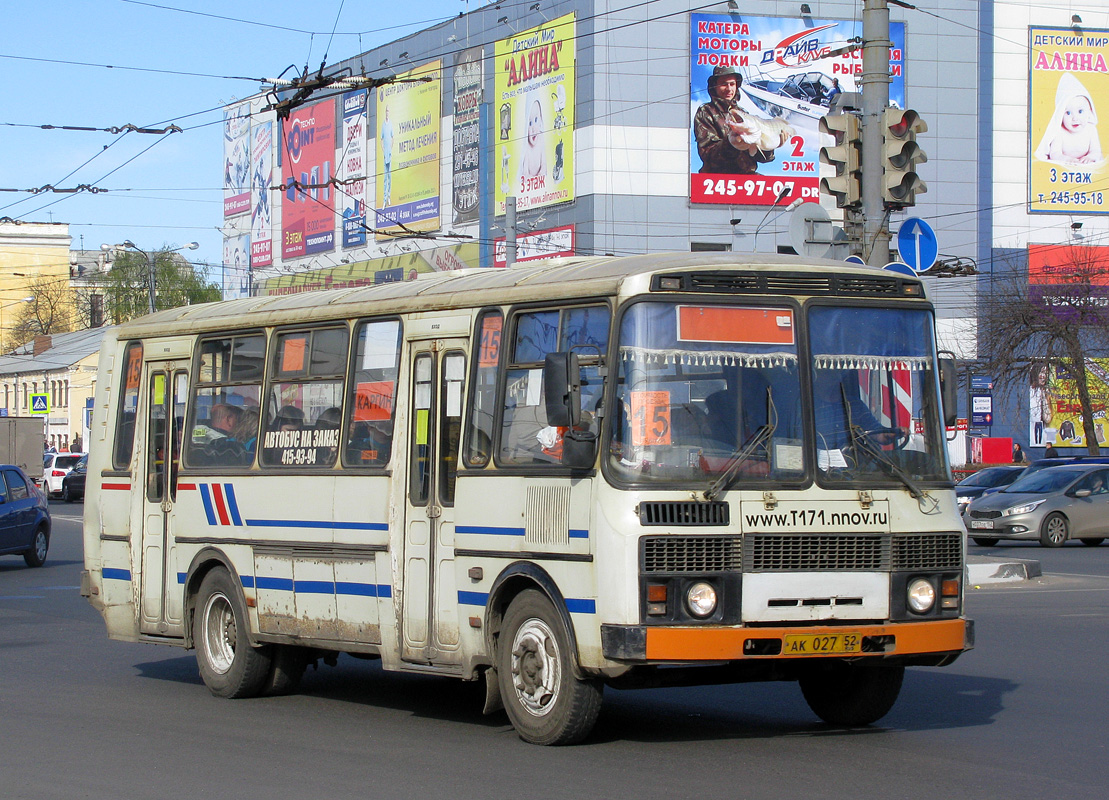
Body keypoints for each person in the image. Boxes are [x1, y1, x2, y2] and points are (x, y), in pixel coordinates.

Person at [693, 65, 793, 174]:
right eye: (723, 84)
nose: (729, 89)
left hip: (746, 178)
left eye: (732, 84)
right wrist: (731, 143)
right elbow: (707, 156)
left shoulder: (744, 114)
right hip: (717, 179)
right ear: (714, 86)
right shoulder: (705, 112)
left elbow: (762, 158)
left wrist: (772, 145)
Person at [812, 370, 905, 454]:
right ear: (817, 377)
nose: (834, 378)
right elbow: (802, 443)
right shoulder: (809, 407)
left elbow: (877, 433)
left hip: (855, 466)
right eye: (827, 373)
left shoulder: (855, 404)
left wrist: (890, 433)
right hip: (820, 467)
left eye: (836, 374)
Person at [1034, 72, 1104, 166]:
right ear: (1060, 115)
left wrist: (1090, 157)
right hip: (1066, 169)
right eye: (1068, 113)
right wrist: (1068, 160)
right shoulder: (1059, 131)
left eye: (1080, 111)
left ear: (1089, 111)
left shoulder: (1091, 129)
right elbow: (1055, 154)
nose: (1075, 118)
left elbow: (1096, 151)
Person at [520, 96, 547, 179]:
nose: (533, 128)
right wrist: (529, 177)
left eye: (536, 120)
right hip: (531, 184)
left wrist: (542, 172)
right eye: (530, 123)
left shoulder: (541, 139)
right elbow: (525, 172)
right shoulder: (526, 147)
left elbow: (544, 164)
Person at [1029, 363, 1053, 445]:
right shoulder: (1031, 391)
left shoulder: (1047, 392)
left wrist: (1045, 398)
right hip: (1033, 426)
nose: (1043, 376)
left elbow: (1048, 418)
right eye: (1042, 372)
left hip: (1043, 428)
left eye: (1046, 373)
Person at [380, 104, 394, 206]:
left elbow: (392, 137)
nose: (387, 113)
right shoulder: (383, 125)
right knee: (385, 177)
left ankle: (389, 196)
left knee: (390, 175)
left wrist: (390, 148)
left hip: (389, 153)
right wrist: (383, 149)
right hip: (385, 154)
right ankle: (384, 198)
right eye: (386, 111)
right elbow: (381, 139)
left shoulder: (391, 124)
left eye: (389, 111)